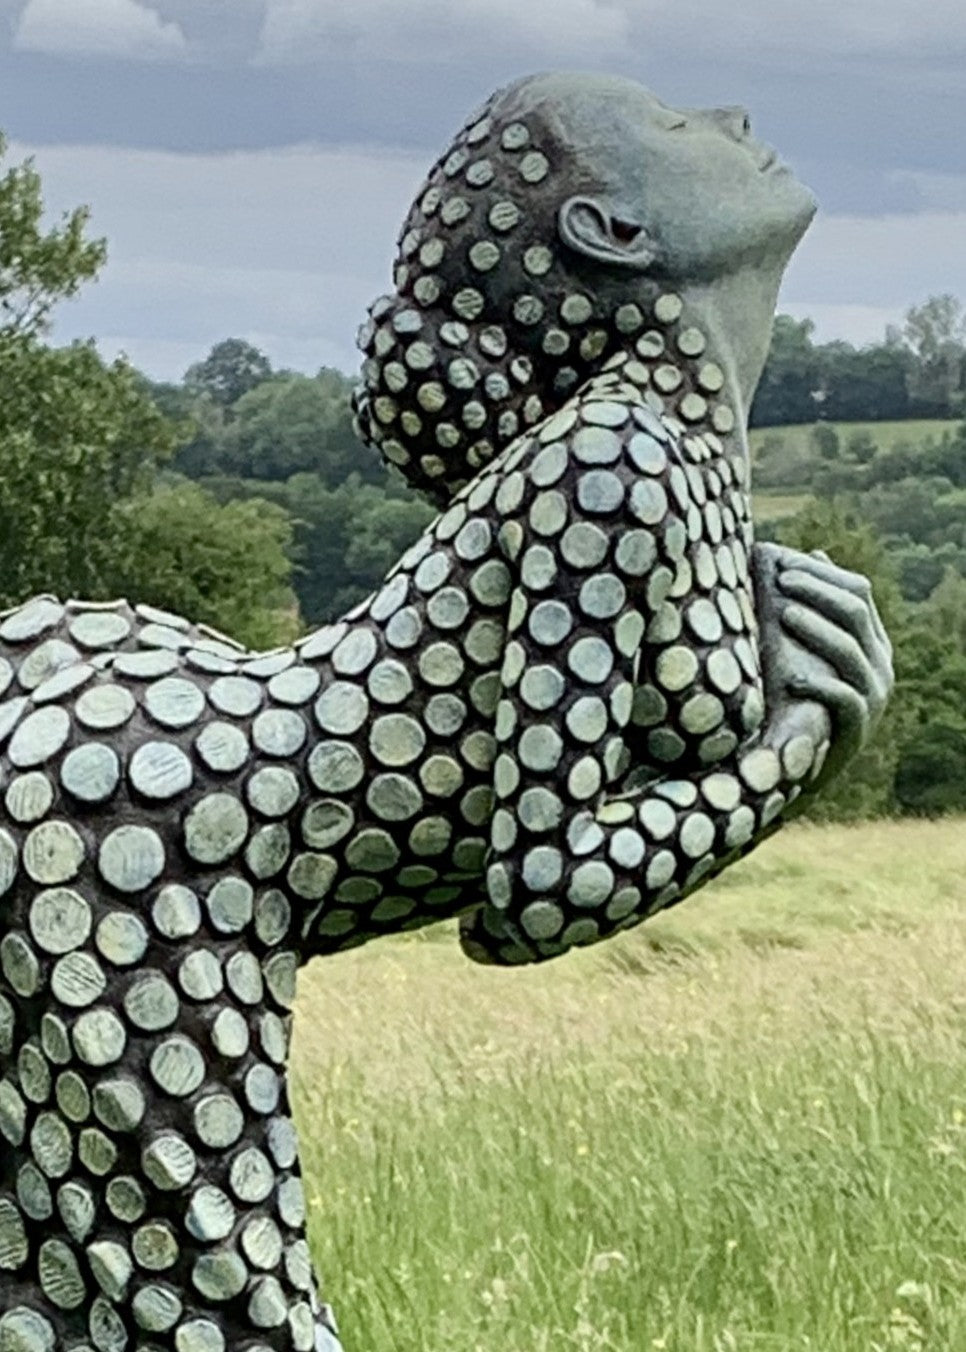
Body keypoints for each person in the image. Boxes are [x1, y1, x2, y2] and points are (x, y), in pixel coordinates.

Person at [0, 73, 890, 1349]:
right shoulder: (615, 464)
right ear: (611, 236)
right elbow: (538, 885)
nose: (737, 117)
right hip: (154, 841)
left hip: (151, 784)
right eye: (683, 130)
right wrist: (794, 752)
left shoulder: (657, 465)